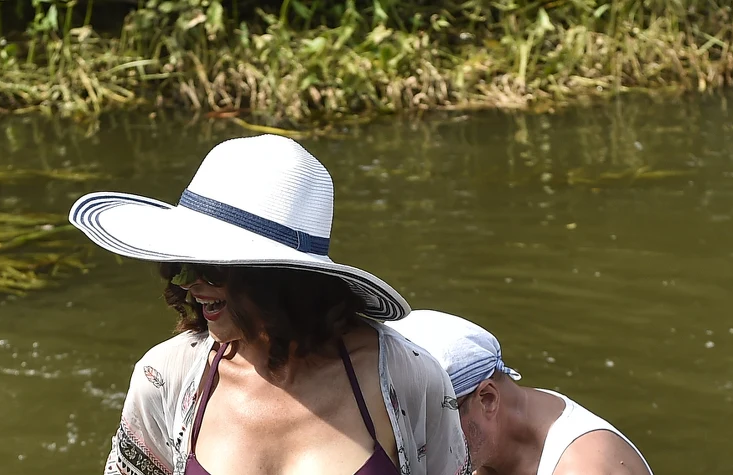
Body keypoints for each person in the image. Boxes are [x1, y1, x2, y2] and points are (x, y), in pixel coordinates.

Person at [69, 134, 470, 475]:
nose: (189, 284)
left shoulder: (405, 377)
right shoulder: (165, 377)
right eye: (181, 265)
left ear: (277, 278)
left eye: (212, 269)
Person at [385, 310, 654, 475]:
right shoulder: (488, 444)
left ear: (487, 399)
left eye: (428, 426)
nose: (414, 447)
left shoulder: (586, 468)